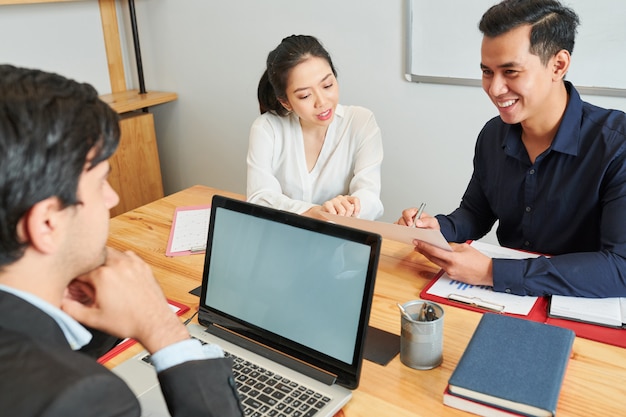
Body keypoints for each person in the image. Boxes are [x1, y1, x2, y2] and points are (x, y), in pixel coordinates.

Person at [0, 65, 242, 416]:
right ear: (47, 224)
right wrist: (162, 326)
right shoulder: (85, 397)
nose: (112, 199)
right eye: (101, 183)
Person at [398, 0, 626, 298]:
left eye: (511, 72)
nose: (494, 89)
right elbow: (476, 213)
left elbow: (620, 268)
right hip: (504, 297)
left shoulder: (616, 144)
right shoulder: (493, 134)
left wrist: (492, 272)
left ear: (558, 65)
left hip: (583, 307)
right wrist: (438, 228)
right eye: (487, 72)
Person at [247, 34, 384, 220]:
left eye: (327, 85)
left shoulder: (361, 122)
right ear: (286, 102)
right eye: (304, 96)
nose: (322, 102)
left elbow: (370, 197)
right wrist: (315, 212)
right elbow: (259, 197)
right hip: (282, 236)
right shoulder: (267, 128)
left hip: (340, 239)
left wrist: (347, 209)